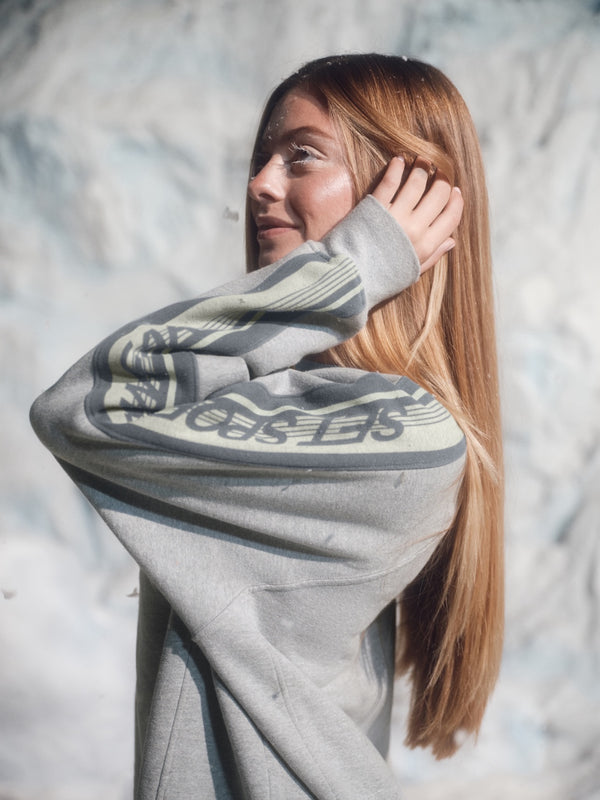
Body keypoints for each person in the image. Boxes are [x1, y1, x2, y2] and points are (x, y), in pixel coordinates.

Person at [30, 53, 504, 800]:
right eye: (261, 157)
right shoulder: (305, 400)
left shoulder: (401, 439)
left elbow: (86, 406)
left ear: (402, 194)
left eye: (302, 155)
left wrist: (354, 267)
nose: (259, 184)